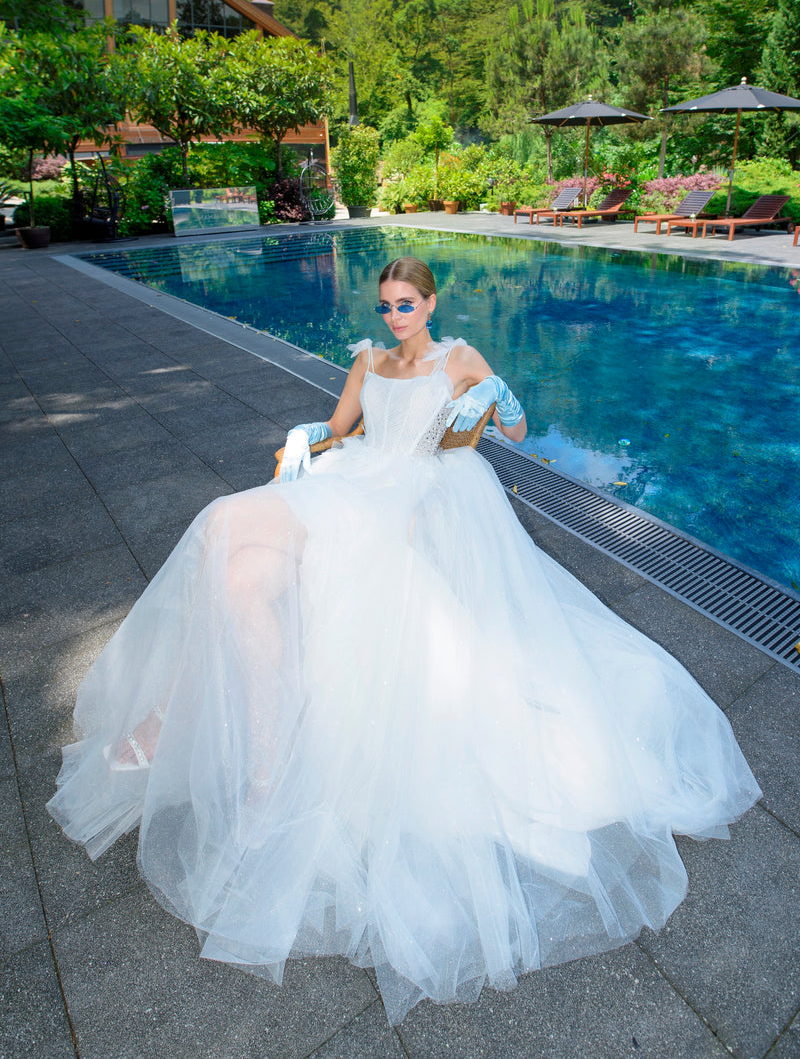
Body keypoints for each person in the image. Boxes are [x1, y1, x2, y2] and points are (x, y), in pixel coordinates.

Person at [48, 256, 760, 1025]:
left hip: (417, 497)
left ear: (431, 301)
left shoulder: (459, 358)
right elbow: (340, 429)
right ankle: (251, 753)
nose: (395, 318)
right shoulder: (367, 360)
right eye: (386, 306)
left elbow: (517, 431)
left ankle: (185, 725)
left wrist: (500, 398)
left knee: (227, 530)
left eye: (407, 305)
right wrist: (307, 435)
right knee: (238, 565)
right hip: (355, 482)